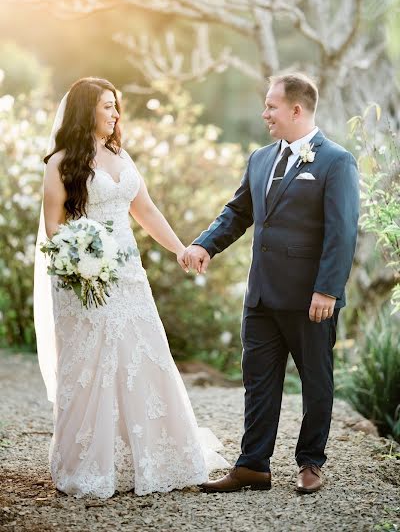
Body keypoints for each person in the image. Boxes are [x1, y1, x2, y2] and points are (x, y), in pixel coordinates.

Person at [34, 77, 227, 498]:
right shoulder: (61, 162)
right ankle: (88, 465)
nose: (116, 114)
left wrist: (180, 248)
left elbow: (146, 210)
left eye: (116, 106)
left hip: (128, 277)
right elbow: (53, 228)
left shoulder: (122, 157)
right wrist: (81, 260)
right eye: (107, 106)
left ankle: (161, 458)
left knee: (145, 354)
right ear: (88, 110)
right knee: (89, 365)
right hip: (83, 279)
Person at [184, 73, 359, 494]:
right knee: (258, 381)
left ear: (296, 110)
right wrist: (206, 244)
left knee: (316, 382)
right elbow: (238, 212)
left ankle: (310, 462)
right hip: (261, 294)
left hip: (310, 298)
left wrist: (328, 290)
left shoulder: (336, 161)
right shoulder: (261, 158)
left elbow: (343, 231)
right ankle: (253, 466)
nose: (265, 114)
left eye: (271, 106)